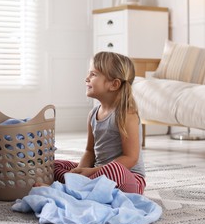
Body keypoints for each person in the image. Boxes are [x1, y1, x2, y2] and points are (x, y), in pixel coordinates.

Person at [52, 51, 146, 194]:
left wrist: (94, 171)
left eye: (93, 74)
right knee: (53, 165)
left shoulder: (126, 114)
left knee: (115, 170)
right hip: (97, 174)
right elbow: (90, 151)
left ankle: (72, 189)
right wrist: (79, 172)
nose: (86, 78)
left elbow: (131, 158)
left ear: (114, 84)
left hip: (128, 178)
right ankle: (79, 186)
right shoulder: (93, 114)